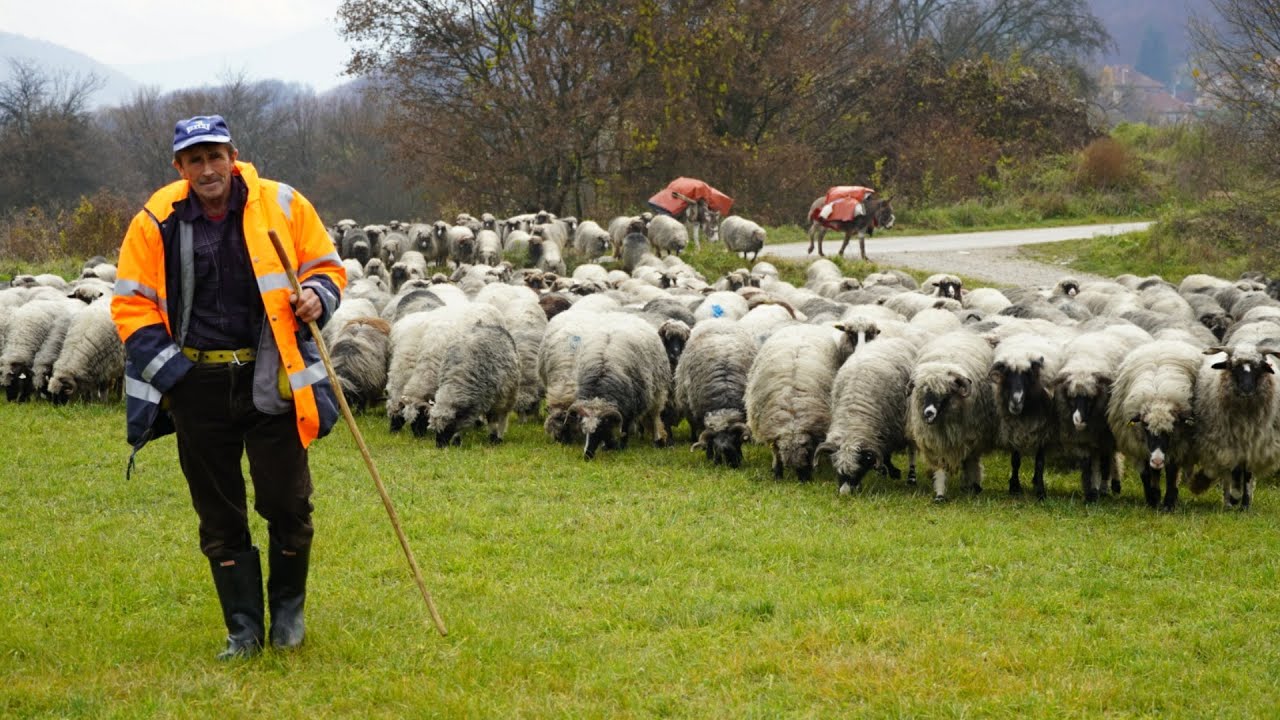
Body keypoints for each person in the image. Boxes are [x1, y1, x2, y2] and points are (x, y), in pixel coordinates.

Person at [110, 115, 346, 660]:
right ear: (181, 167)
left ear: (233, 155)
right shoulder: (156, 219)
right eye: (196, 160)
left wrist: (316, 295)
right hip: (198, 380)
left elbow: (327, 267)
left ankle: (287, 611)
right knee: (218, 511)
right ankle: (243, 628)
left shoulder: (283, 202)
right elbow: (130, 301)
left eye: (216, 156)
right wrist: (174, 376)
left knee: (286, 500)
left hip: (274, 375)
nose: (208, 168)